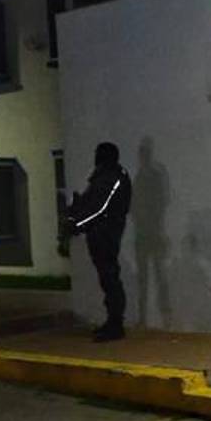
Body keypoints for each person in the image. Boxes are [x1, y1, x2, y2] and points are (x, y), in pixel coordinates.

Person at [66, 142, 133, 342]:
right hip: (99, 232)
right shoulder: (103, 176)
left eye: (99, 154)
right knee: (107, 278)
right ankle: (112, 321)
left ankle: (116, 324)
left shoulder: (113, 177)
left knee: (110, 277)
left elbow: (100, 207)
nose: (96, 157)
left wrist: (77, 224)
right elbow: (90, 201)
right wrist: (76, 211)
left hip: (106, 233)